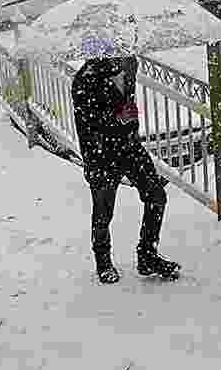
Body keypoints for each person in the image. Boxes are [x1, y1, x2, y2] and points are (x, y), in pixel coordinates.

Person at [70, 56, 180, 284]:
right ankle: (103, 261)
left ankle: (147, 254)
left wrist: (128, 119)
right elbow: (87, 122)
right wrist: (116, 118)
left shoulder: (129, 64)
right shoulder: (85, 78)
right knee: (103, 212)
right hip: (100, 153)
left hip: (130, 147)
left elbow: (125, 103)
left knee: (156, 196)